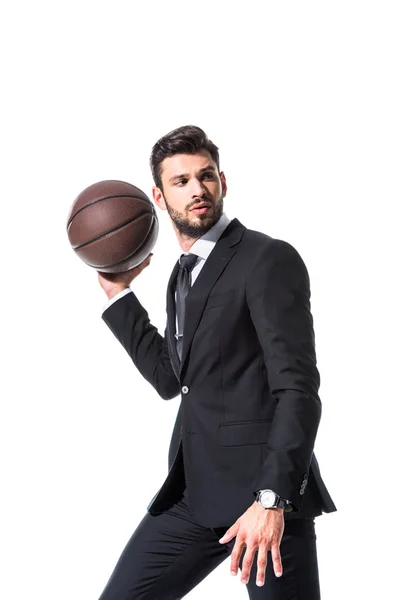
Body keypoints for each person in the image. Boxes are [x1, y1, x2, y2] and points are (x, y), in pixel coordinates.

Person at [96, 125, 337, 600]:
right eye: (181, 181)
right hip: (193, 496)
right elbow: (172, 379)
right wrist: (119, 295)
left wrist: (272, 500)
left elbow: (298, 390)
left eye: (205, 176)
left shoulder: (266, 259)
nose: (197, 189)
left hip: (264, 501)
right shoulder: (181, 275)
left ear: (223, 182)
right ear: (159, 197)